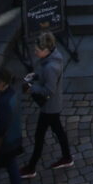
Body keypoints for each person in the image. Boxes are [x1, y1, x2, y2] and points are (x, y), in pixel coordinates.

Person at [20, 32, 72, 176]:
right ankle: (67, 157)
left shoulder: (50, 67)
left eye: (37, 50)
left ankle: (31, 167)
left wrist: (31, 89)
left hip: (49, 106)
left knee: (39, 136)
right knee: (58, 131)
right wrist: (36, 76)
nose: (35, 52)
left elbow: (49, 89)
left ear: (45, 50)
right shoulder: (55, 57)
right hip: (53, 106)